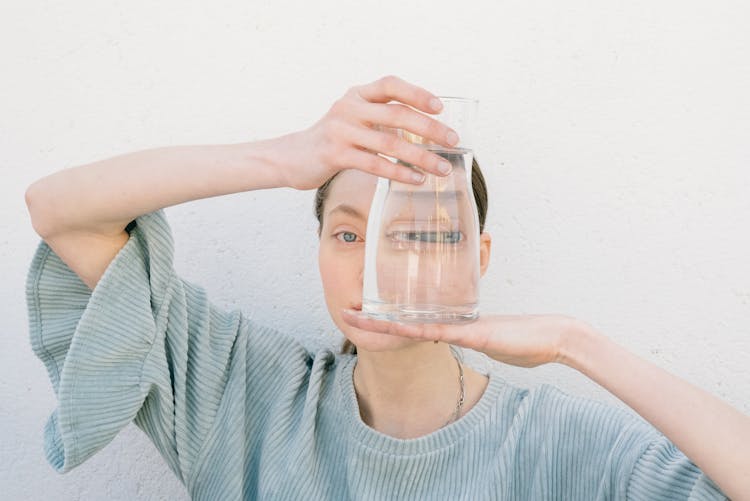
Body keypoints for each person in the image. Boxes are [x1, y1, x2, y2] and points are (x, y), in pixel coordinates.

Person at [24, 75, 746, 500]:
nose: (373, 265)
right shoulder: (246, 394)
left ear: (478, 254)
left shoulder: (562, 443)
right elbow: (61, 213)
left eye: (415, 231)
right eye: (347, 234)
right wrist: (287, 157)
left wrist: (574, 342)